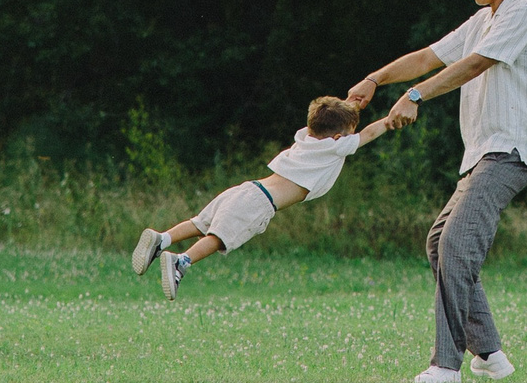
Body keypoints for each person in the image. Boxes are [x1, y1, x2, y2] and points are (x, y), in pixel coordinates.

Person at [347, 0, 527, 383]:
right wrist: (376, 80)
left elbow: (475, 64)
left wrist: (415, 96)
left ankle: (445, 365)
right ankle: (491, 356)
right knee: (440, 244)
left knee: (457, 245)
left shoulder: (523, 12)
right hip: (481, 153)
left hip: (510, 149)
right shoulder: (482, 19)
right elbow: (428, 56)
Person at [130, 96, 398, 299]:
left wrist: (348, 105)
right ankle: (181, 261)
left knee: (201, 222)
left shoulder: (305, 137)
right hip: (260, 202)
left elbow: (332, 118)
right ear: (340, 136)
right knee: (219, 237)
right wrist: (390, 119)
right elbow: (369, 133)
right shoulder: (336, 147)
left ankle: (162, 239)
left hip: (247, 188)